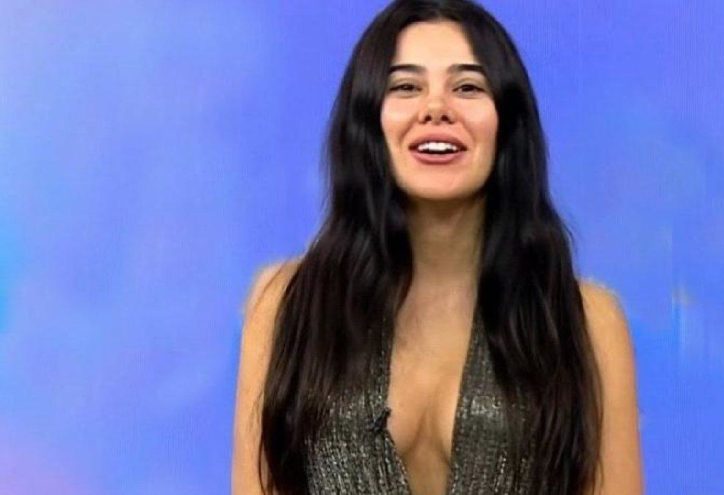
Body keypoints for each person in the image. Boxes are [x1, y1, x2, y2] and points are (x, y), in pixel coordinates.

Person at [232, 0, 642, 493]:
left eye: (467, 87)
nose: (435, 108)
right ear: (369, 119)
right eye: (406, 87)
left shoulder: (588, 321)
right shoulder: (285, 304)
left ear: (506, 121)